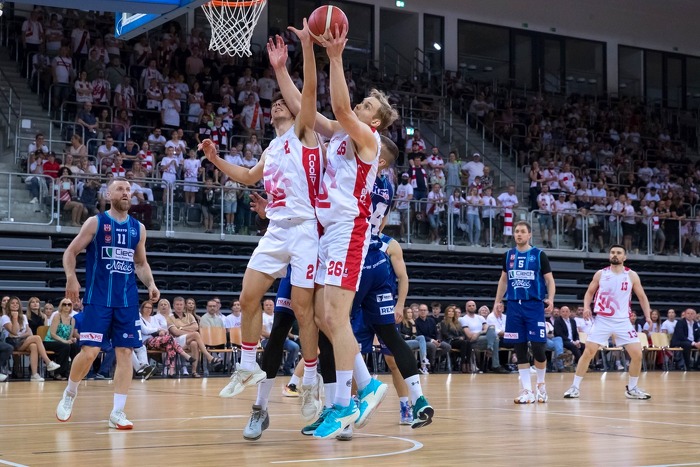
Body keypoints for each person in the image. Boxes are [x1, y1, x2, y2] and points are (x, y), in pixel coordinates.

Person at [201, 22, 322, 436]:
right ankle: (248, 365)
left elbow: (308, 94)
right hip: (277, 229)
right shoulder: (271, 148)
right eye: (274, 105)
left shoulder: (305, 133)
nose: (277, 107)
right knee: (248, 295)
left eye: (283, 104)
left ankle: (310, 378)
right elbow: (249, 176)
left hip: (305, 230)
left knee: (303, 310)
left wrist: (293, 59)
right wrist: (216, 160)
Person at [56, 177, 160, 429]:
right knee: (90, 352)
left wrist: (151, 284)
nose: (126, 192)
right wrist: (71, 278)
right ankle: (70, 392)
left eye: (128, 189)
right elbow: (70, 252)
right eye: (120, 189)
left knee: (125, 353)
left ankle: (117, 412)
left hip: (126, 301)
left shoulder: (138, 228)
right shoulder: (96, 222)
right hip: (98, 299)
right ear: (108, 195)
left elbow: (140, 263)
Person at [563, 245, 653, 400]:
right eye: (612, 252)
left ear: (624, 257)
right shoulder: (601, 274)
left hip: (623, 321)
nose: (615, 255)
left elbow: (642, 297)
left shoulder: (631, 275)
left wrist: (648, 316)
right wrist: (586, 307)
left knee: (637, 354)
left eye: (618, 253)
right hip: (602, 320)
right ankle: (574, 387)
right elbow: (589, 293)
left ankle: (632, 389)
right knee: (588, 352)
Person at [493, 221, 556, 404]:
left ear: (529, 235)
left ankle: (541, 385)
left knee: (538, 348)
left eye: (522, 231)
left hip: (534, 305)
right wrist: (497, 301)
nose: (519, 234)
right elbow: (503, 280)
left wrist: (551, 298)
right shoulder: (508, 255)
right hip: (514, 306)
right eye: (516, 231)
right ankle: (527, 390)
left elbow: (550, 280)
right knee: (519, 348)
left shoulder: (539, 255)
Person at [1, 296, 61, 381]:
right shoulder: (5, 317)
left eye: (17, 303)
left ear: (19, 305)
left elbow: (29, 332)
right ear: (9, 305)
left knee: (34, 346)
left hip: (22, 341)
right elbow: (14, 331)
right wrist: (14, 318)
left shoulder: (23, 316)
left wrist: (19, 335)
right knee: (37, 338)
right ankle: (48, 362)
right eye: (12, 303)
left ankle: (34, 375)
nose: (15, 305)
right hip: (12, 342)